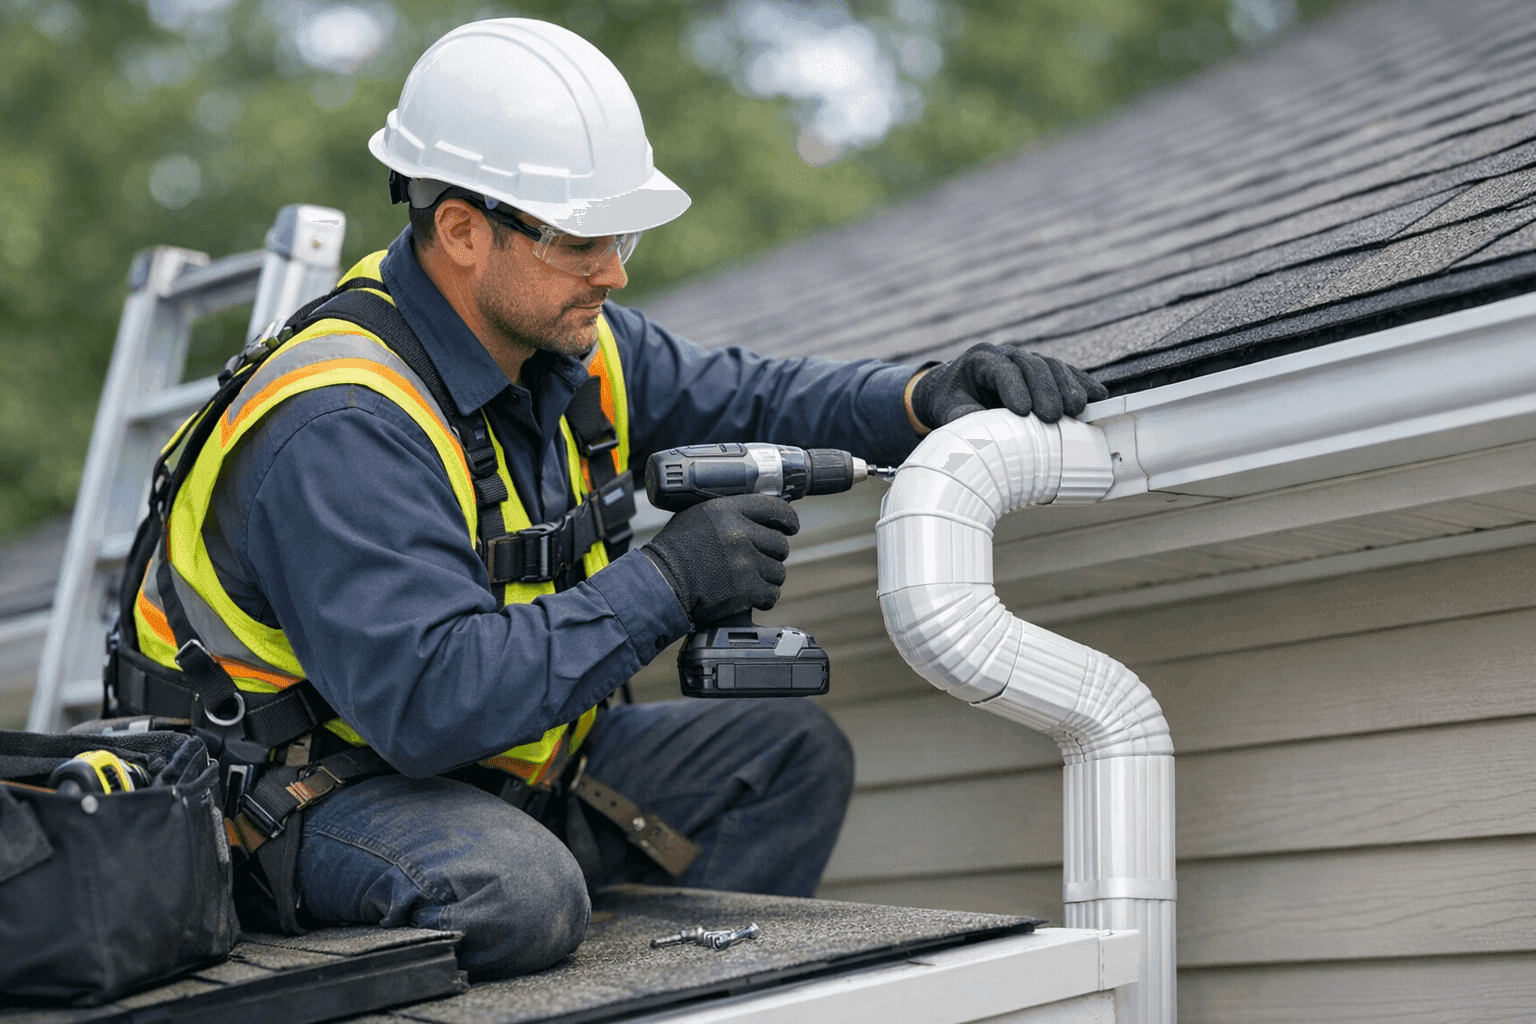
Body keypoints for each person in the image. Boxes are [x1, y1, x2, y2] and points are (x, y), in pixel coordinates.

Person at [122, 18, 1106, 979]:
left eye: (620, 231)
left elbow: (761, 393)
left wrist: (922, 398)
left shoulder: (572, 344)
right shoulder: (343, 418)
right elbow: (427, 704)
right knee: (516, 892)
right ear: (463, 230)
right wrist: (671, 582)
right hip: (297, 797)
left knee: (787, 755)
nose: (616, 269)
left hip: (491, 774)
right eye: (585, 237)